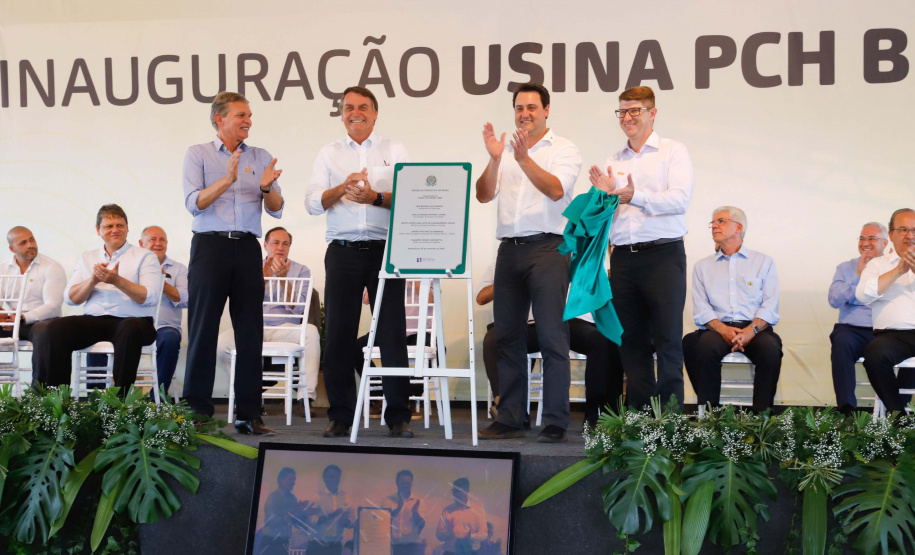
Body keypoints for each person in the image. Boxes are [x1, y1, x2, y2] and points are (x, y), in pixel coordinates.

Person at [475, 82, 582, 443]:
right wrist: (495, 159)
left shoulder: (564, 148)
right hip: (510, 250)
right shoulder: (505, 151)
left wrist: (523, 159)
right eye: (519, 108)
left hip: (549, 249)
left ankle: (554, 420)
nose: (525, 114)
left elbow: (555, 189)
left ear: (546, 110)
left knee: (552, 336)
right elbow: (483, 194)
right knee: (507, 336)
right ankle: (511, 417)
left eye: (532, 107)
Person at [305, 86, 412, 438]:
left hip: (385, 250)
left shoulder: (394, 149)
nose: (356, 112)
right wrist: (342, 188)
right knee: (338, 333)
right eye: (349, 107)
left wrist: (374, 197)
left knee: (391, 333)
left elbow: (411, 196)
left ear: (375, 113)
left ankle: (398, 416)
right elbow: (312, 202)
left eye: (363, 107)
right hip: (342, 251)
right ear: (341, 114)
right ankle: (340, 416)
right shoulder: (329, 153)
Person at [182, 91, 284, 435]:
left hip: (247, 247)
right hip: (209, 247)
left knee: (250, 331)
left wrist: (266, 188)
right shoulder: (198, 154)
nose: (248, 121)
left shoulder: (261, 156)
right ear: (219, 118)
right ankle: (197, 411)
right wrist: (228, 178)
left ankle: (249, 414)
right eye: (241, 115)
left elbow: (276, 208)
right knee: (203, 329)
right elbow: (194, 203)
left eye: (249, 116)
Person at [588, 86, 693, 410]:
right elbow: (609, 218)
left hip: (663, 257)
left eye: (635, 110)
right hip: (623, 260)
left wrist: (636, 196)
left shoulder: (672, 151)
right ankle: (640, 419)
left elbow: (680, 200)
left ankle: (670, 420)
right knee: (630, 343)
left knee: (667, 340)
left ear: (652, 113)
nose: (627, 117)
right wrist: (604, 199)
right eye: (622, 111)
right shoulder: (613, 160)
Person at [477, 261, 623, 427]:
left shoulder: (576, 255)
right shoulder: (503, 262)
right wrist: (510, 279)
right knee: (493, 339)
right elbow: (481, 298)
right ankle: (506, 408)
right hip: (532, 323)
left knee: (605, 340)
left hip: (573, 321)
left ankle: (597, 414)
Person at [29, 204, 159, 390]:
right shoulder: (87, 257)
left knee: (130, 328)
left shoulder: (145, 256)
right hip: (95, 320)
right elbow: (71, 298)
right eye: (109, 226)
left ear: (127, 228)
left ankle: (120, 400)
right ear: (98, 230)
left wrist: (116, 280)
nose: (115, 230)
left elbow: (149, 297)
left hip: (135, 321)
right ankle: (57, 397)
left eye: (120, 225)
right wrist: (92, 281)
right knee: (54, 329)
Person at [682, 207, 782, 412]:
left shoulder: (763, 262)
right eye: (712, 223)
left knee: (771, 350)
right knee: (702, 347)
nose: (714, 226)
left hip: (754, 328)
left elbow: (770, 304)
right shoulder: (702, 267)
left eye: (721, 221)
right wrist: (724, 331)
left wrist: (750, 331)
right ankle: (710, 415)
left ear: (739, 227)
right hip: (717, 328)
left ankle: (761, 417)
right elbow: (702, 308)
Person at [215, 227, 320, 416]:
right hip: (254, 327)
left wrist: (283, 280)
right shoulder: (250, 266)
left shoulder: (301, 270)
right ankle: (247, 393)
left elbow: (298, 309)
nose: (280, 247)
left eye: (285, 244)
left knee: (311, 332)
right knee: (223, 343)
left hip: (285, 329)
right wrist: (261, 279)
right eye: (275, 243)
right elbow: (241, 302)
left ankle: (305, 398)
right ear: (265, 245)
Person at [88, 225, 188, 398]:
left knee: (170, 338)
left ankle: (158, 398)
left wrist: (162, 284)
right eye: (152, 239)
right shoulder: (129, 265)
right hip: (130, 324)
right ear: (141, 244)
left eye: (162, 240)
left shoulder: (179, 269)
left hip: (163, 327)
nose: (158, 243)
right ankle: (97, 397)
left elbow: (186, 300)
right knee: (99, 335)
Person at [856, 208, 915, 413]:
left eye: (914, 230)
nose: (910, 236)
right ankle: (897, 415)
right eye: (903, 230)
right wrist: (898, 271)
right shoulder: (877, 264)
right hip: (892, 337)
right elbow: (863, 295)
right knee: (874, 356)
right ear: (891, 234)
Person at [828, 222, 888, 414]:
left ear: (885, 243)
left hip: (885, 330)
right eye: (862, 238)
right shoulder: (845, 268)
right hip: (852, 330)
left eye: (871, 238)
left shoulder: (894, 266)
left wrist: (854, 298)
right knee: (841, 341)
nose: (865, 243)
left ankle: (897, 411)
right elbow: (834, 300)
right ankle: (846, 409)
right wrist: (858, 278)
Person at [1, 227, 66, 341]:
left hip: (43, 321)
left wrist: (22, 318)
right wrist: (3, 318)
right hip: (14, 321)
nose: (30, 245)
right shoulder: (2, 269)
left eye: (32, 240)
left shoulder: (52, 267)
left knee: (43, 331)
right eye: (23, 243)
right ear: (12, 249)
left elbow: (53, 306)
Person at [255, 467, 317, 555]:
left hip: (284, 543)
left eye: (294, 480)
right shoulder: (272, 498)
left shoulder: (293, 499)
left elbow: (296, 523)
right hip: (269, 542)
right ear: (280, 480)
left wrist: (305, 514)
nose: (293, 482)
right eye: (290, 479)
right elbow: (272, 522)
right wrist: (295, 512)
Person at [305, 465, 355, 555]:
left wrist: (346, 521)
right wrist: (333, 515)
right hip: (317, 546)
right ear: (324, 479)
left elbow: (351, 522)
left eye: (337, 477)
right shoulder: (316, 496)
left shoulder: (346, 497)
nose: (334, 480)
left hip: (335, 546)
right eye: (331, 477)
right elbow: (311, 521)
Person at [435, 477, 487, 555]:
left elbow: (484, 533)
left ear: (467, 491)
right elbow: (439, 534)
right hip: (450, 552)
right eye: (454, 491)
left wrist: (470, 537)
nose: (455, 494)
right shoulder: (447, 511)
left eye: (458, 491)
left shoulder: (477, 510)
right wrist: (448, 533)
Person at [380, 469, 426, 555]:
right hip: (391, 547)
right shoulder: (387, 501)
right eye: (402, 483)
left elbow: (421, 525)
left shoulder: (418, 501)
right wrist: (398, 508)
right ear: (397, 483)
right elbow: (381, 523)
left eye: (408, 483)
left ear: (411, 484)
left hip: (411, 547)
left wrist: (415, 513)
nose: (405, 486)